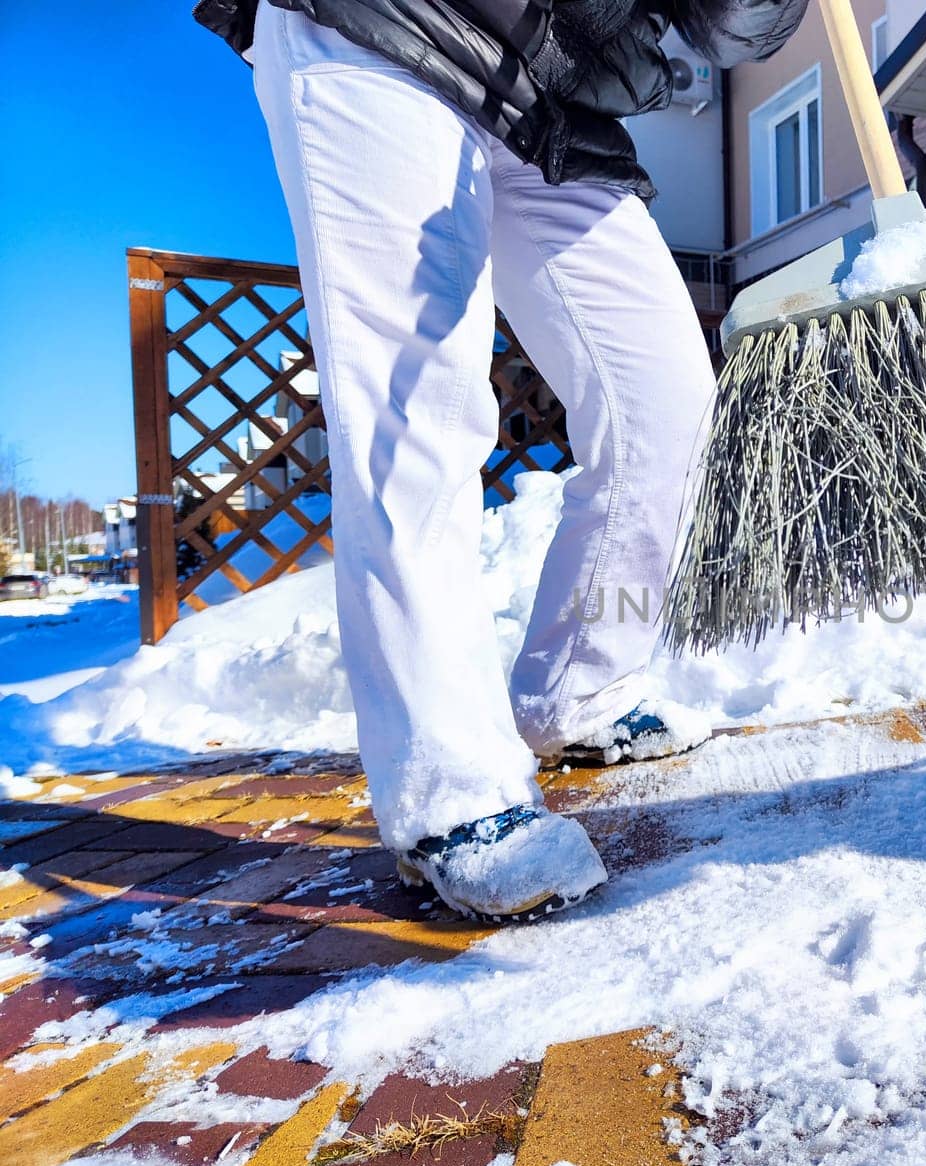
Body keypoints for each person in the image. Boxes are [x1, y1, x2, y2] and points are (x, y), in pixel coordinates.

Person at [196, 0, 804, 920]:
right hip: (381, 29)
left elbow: (731, 27)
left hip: (553, 94)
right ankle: (453, 794)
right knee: (416, 409)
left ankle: (580, 686)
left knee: (667, 398)